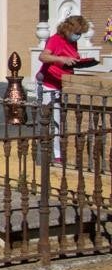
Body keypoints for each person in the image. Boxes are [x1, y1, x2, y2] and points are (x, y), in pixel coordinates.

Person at [38, 14, 91, 163]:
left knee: (62, 120)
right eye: (77, 33)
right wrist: (61, 59)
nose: (78, 36)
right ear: (68, 29)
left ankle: (60, 151)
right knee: (52, 120)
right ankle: (55, 154)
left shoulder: (72, 42)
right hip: (49, 83)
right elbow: (43, 57)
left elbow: (71, 56)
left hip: (64, 84)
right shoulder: (55, 40)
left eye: (80, 34)